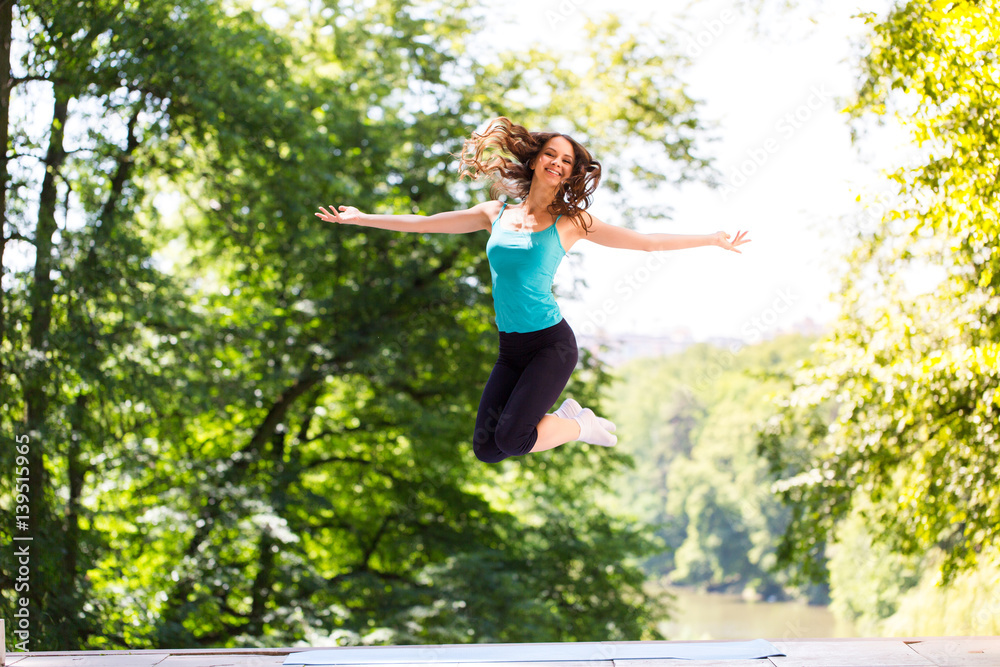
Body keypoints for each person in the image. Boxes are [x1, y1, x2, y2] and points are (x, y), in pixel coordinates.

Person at [316, 117, 750, 464]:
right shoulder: (495, 212)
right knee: (488, 448)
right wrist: (361, 217)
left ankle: (578, 425)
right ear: (536, 160)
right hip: (511, 348)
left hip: (550, 345)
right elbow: (427, 223)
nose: (557, 163)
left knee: (513, 436)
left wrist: (710, 239)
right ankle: (573, 424)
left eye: (566, 160)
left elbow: (647, 241)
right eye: (550, 154)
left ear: (572, 172)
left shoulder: (572, 222)